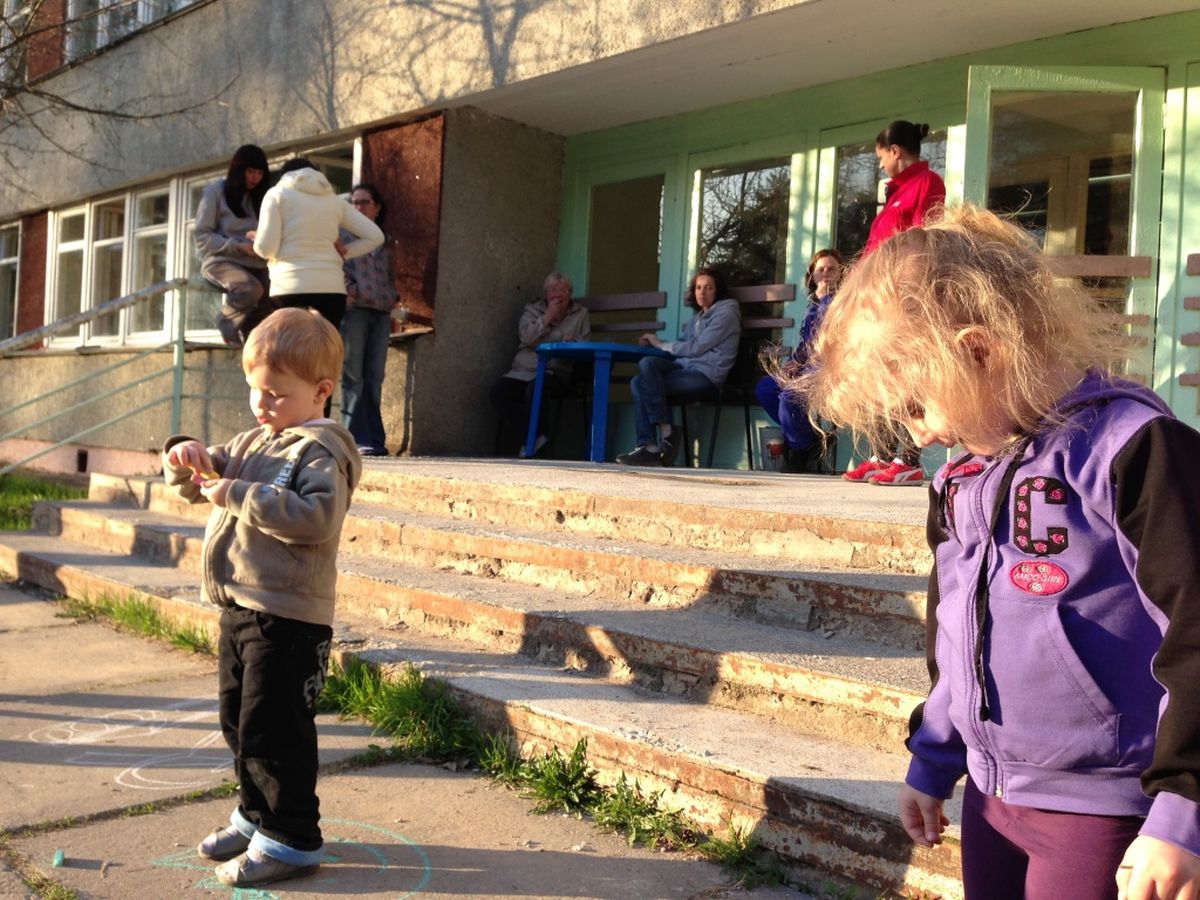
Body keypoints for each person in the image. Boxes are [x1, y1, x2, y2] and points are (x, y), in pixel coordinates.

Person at [794, 204, 1200, 900]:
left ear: (979, 351)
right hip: (992, 800)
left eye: (915, 407)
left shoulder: (1132, 448)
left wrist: (1184, 811)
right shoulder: (962, 478)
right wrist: (933, 757)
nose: (919, 437)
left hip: (1107, 809)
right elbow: (955, 631)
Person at [161, 307, 361, 889]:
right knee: (240, 722)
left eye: (277, 394)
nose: (261, 404)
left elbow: (316, 518)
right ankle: (255, 815)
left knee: (275, 730)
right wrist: (186, 456)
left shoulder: (321, 451)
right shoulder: (254, 440)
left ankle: (291, 837)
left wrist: (236, 492)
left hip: (289, 617)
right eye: (255, 389)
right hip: (241, 607)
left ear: (320, 391)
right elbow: (204, 477)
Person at [844, 119, 946, 486]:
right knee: (878, 374)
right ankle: (881, 455)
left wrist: (911, 288)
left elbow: (925, 239)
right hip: (877, 297)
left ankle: (908, 459)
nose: (880, 163)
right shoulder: (894, 192)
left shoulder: (928, 183)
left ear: (895, 151)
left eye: (880, 156)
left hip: (904, 294)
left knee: (906, 373)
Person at [616, 267, 741, 467]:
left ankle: (654, 444)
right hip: (685, 370)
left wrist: (660, 344)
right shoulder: (697, 318)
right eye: (698, 287)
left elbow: (697, 347)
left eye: (708, 287)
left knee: (640, 384)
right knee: (646, 365)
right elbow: (681, 346)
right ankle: (655, 441)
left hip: (706, 375)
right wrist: (655, 344)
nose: (702, 292)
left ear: (718, 291)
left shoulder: (726, 314)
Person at [252, 157, 383, 331]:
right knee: (326, 347)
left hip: (289, 286)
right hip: (332, 289)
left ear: (285, 175)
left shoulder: (276, 195)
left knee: (291, 347)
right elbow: (376, 236)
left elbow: (266, 249)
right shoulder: (334, 200)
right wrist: (344, 252)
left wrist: (257, 239)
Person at [754, 249, 842, 473]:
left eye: (832, 269)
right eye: (820, 270)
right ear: (812, 276)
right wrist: (794, 362)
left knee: (790, 396)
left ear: (841, 273)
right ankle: (810, 438)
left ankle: (799, 451)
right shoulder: (812, 305)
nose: (826, 274)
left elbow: (828, 335)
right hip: (807, 368)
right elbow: (807, 343)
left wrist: (826, 298)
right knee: (765, 388)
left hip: (830, 369)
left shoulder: (843, 302)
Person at [489, 272, 591, 457]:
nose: (557, 295)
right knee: (499, 393)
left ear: (570, 294)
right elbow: (526, 338)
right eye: (553, 290)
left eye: (563, 290)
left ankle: (534, 445)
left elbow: (586, 344)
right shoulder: (532, 310)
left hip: (554, 371)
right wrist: (546, 318)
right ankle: (535, 436)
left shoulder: (580, 314)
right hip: (523, 370)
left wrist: (573, 342)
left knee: (536, 388)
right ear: (546, 294)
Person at [340, 183, 399, 457]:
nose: (358, 207)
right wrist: (352, 292)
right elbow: (337, 269)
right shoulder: (343, 238)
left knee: (374, 378)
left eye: (364, 202)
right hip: (355, 312)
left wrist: (391, 298)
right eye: (354, 202)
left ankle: (375, 439)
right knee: (353, 376)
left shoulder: (384, 241)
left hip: (381, 314)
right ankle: (351, 438)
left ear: (377, 207)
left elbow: (390, 276)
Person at [195, 144, 272, 346]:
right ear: (239, 170)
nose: (255, 178)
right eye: (250, 171)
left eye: (260, 173)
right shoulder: (215, 192)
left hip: (258, 264)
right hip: (222, 260)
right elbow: (202, 236)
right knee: (250, 288)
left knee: (274, 299)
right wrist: (237, 246)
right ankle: (226, 323)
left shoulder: (265, 197)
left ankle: (254, 347)